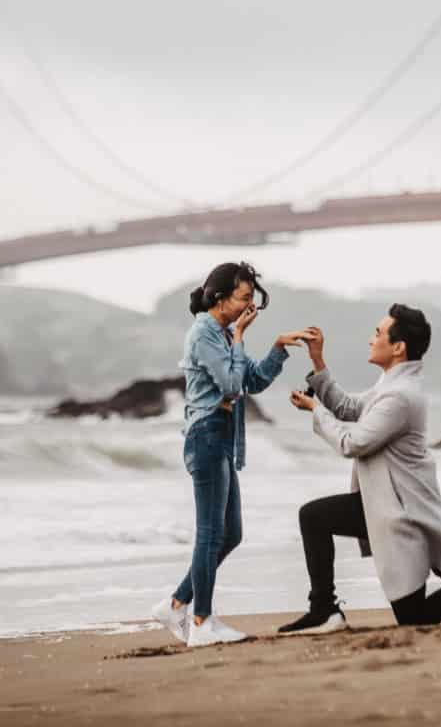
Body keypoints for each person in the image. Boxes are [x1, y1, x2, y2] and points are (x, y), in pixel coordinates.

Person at [279, 304, 441, 634]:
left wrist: (315, 411)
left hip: (400, 509)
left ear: (398, 347)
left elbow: (352, 443)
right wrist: (318, 362)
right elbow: (351, 408)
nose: (371, 339)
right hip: (380, 500)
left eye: (378, 333)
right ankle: (324, 609)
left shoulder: (401, 396)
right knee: (314, 517)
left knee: (413, 616)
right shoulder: (392, 386)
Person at [151, 261, 314, 648]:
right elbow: (229, 383)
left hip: (221, 437)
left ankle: (176, 604)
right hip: (206, 434)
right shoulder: (205, 333)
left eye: (251, 300)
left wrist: (276, 347)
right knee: (210, 532)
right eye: (243, 298)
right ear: (219, 297)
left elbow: (251, 381)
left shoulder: (223, 333)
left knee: (231, 533)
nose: (247, 307)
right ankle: (202, 621)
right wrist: (240, 338)